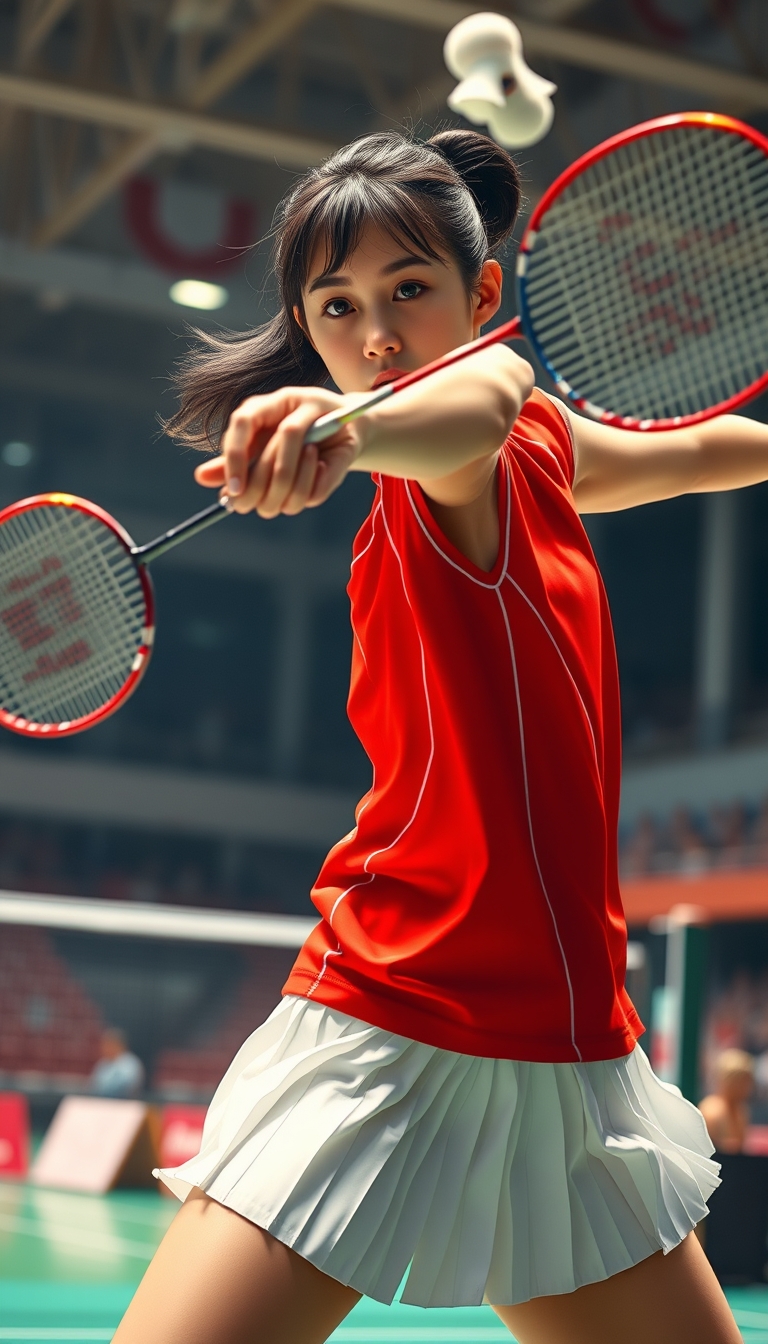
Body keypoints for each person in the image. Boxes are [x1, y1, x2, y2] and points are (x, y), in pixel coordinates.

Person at [109, 128, 764, 1344]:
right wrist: (354, 433)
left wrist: (346, 429)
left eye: (409, 291)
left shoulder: (531, 436)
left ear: (484, 297)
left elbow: (679, 454)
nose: (374, 335)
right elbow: (452, 419)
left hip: (567, 1058)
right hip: (395, 1014)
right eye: (337, 308)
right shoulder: (438, 467)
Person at [700, 1048, 755, 1153]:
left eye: (748, 1081)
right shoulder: (711, 1111)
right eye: (743, 1081)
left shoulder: (741, 1111)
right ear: (730, 1081)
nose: (748, 1087)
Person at [90, 1028, 145, 1098]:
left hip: (125, 1104)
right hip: (102, 1103)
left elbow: (126, 1088)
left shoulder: (131, 1063)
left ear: (118, 1044)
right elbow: (94, 1087)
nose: (104, 1048)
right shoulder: (102, 1064)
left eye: (108, 1044)